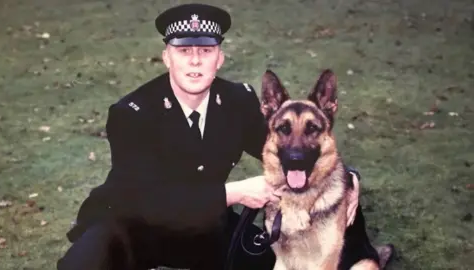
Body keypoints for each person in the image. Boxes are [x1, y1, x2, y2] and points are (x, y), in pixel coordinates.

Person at [57, 3, 362, 270]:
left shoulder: (237, 100)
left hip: (204, 227)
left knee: (271, 262)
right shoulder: (133, 113)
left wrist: (348, 180)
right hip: (132, 227)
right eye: (184, 51)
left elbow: (290, 151)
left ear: (220, 58)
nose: (195, 61)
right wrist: (233, 194)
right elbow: (144, 200)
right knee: (86, 261)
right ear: (167, 57)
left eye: (205, 51)